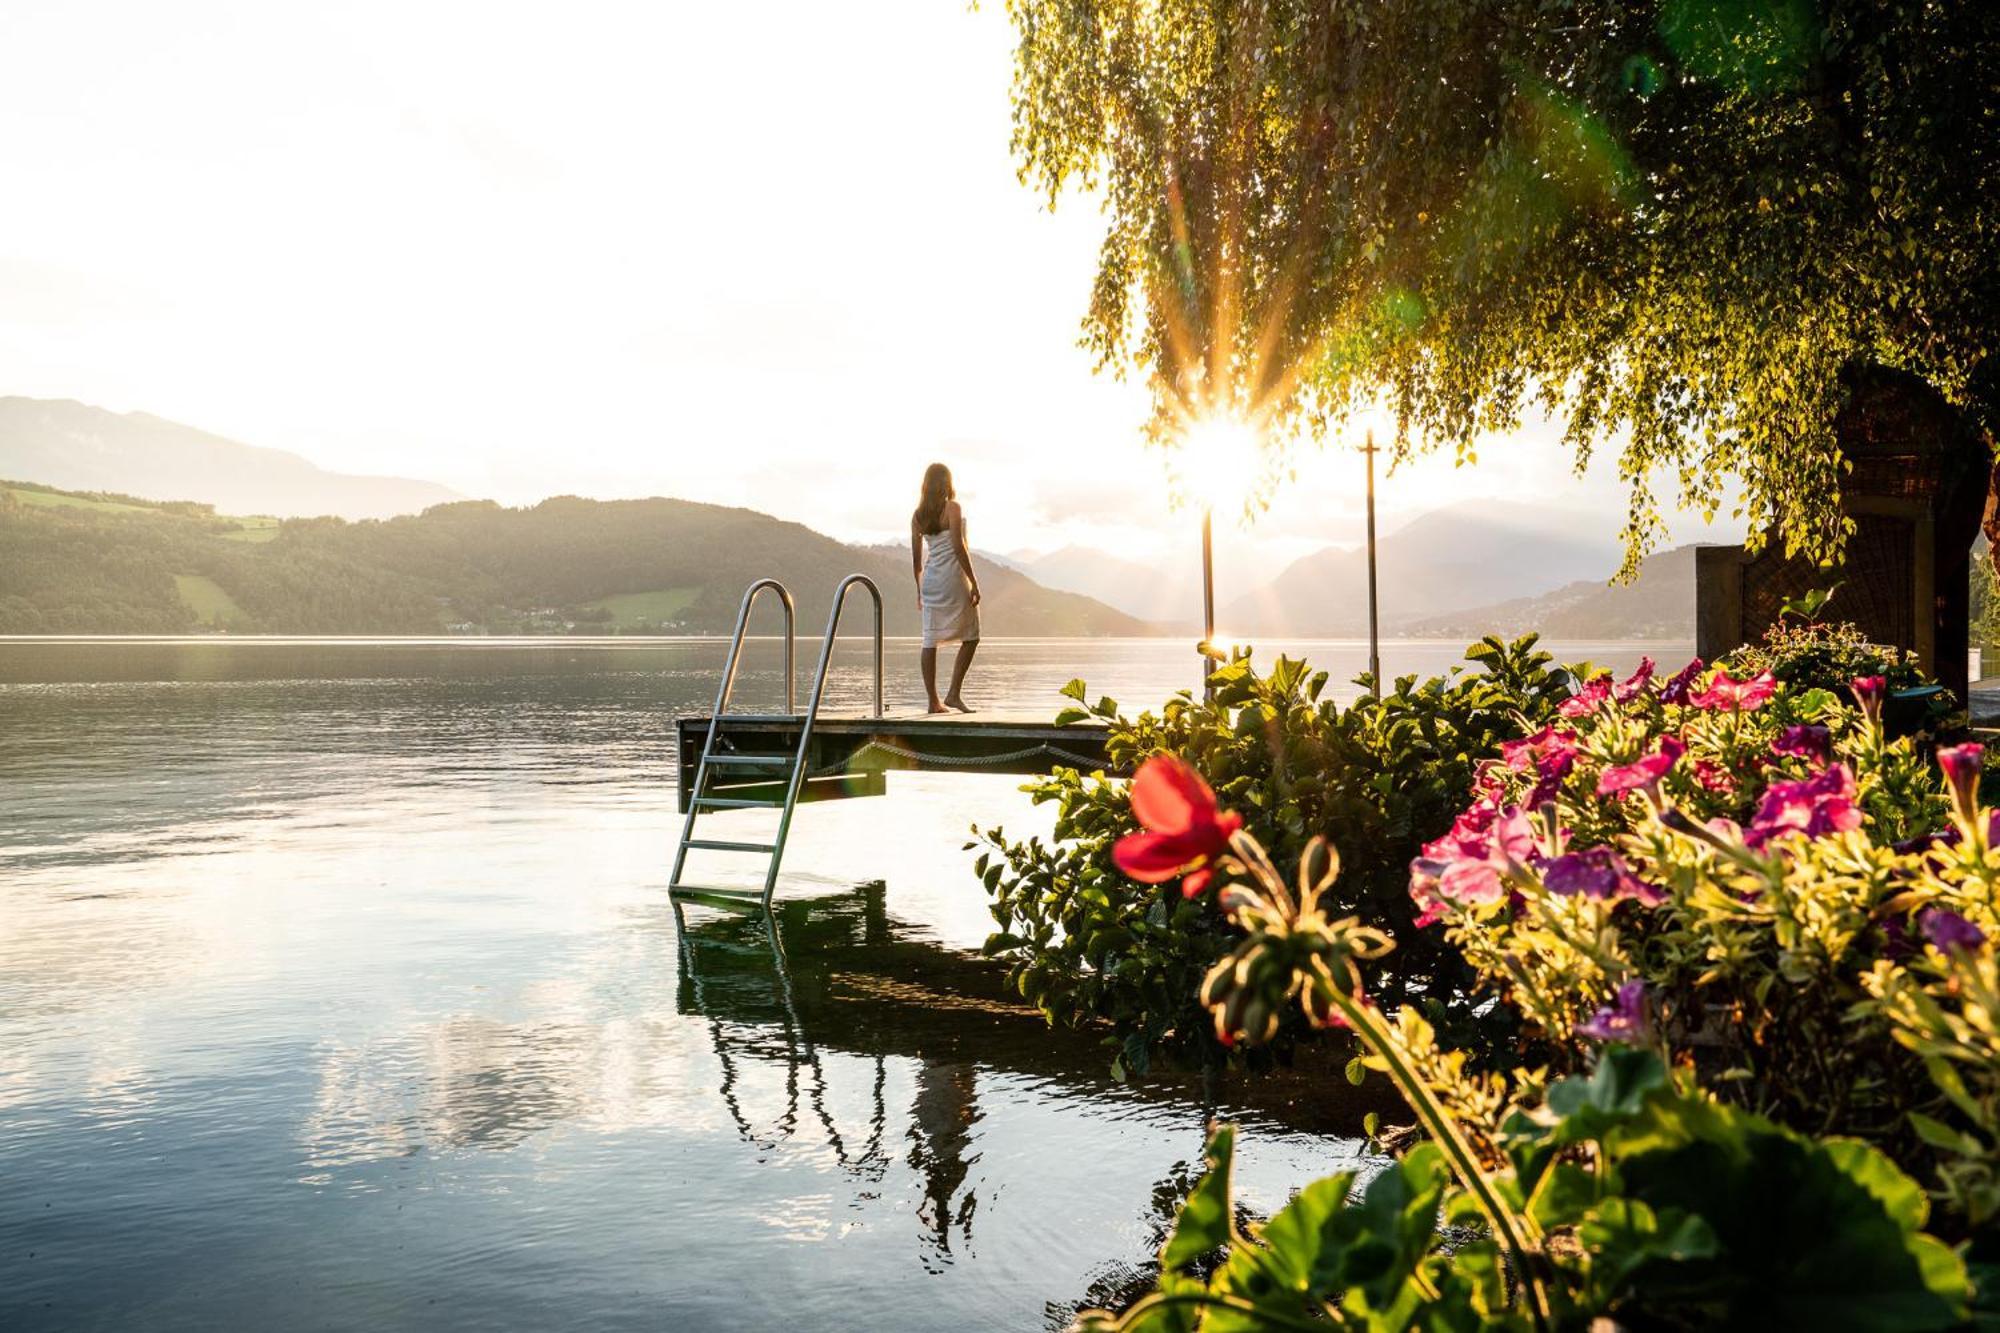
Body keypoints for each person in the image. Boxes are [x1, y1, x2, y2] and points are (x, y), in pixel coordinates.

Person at [911, 462, 980, 713]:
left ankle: (933, 702)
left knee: (929, 639)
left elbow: (916, 560)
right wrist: (973, 581)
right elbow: (959, 546)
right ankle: (953, 694)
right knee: (971, 636)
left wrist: (919, 590)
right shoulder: (953, 508)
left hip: (930, 581)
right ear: (947, 483)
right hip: (952, 578)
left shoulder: (918, 516)